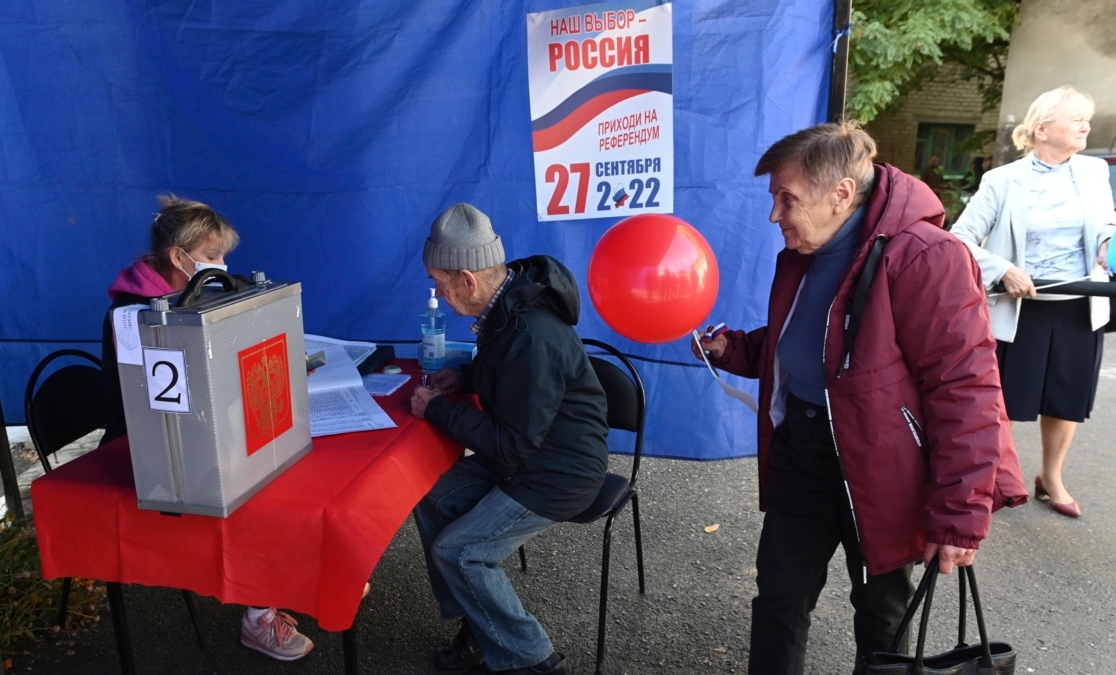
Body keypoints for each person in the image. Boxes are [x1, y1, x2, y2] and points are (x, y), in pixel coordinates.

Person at [691, 122, 1027, 674]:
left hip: (880, 463)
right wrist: (737, 350)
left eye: (787, 199)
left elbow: (967, 391)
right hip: (803, 448)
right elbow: (809, 345)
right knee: (778, 598)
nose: (775, 215)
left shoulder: (926, 256)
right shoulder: (805, 250)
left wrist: (961, 515)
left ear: (841, 194)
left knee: (882, 616)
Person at [100, 194, 316, 662]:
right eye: (213, 256)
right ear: (179, 258)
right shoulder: (134, 316)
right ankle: (258, 618)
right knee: (254, 490)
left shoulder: (194, 297)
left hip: (197, 435)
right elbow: (155, 406)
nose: (221, 267)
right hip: (145, 451)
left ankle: (295, 579)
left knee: (283, 470)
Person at [409, 203, 609, 675]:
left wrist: (436, 409)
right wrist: (465, 376)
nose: (438, 291)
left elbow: (511, 443)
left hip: (557, 473)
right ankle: (482, 624)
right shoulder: (511, 305)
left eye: (439, 282)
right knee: (431, 496)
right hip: (529, 458)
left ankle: (531, 660)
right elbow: (509, 380)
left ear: (467, 279)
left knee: (459, 552)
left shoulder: (528, 333)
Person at [950, 85, 1116, 519]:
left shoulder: (1094, 171)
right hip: (1019, 304)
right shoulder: (1002, 180)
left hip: (1080, 300)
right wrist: (1002, 268)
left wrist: (1106, 245)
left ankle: (1052, 477)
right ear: (1042, 128)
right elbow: (958, 240)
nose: (1086, 125)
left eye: (1087, 117)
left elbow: (1104, 225)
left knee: (1067, 398)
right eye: (1076, 118)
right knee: (1001, 400)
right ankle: (990, 477)